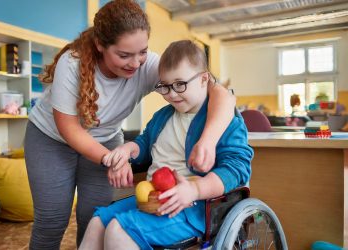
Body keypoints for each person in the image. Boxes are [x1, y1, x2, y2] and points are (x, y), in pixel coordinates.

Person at [24, 0, 236, 249]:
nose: (136, 63)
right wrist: (112, 159)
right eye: (124, 55)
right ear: (100, 45)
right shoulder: (72, 63)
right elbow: (68, 127)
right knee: (52, 219)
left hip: (106, 140)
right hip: (52, 139)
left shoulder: (148, 65)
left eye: (142, 52)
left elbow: (220, 93)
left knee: (92, 214)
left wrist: (208, 140)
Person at [79, 40, 253, 250]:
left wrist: (195, 190)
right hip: (154, 199)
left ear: (203, 79)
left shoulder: (223, 121)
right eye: (164, 86)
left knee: (118, 230)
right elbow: (144, 145)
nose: (171, 94)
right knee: (98, 222)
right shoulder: (163, 116)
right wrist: (127, 150)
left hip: (195, 208)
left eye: (180, 84)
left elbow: (235, 170)